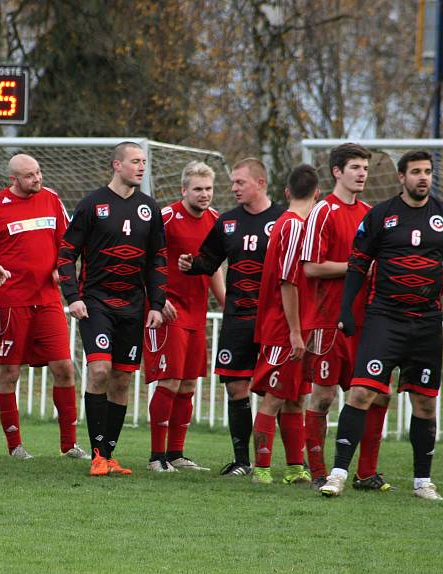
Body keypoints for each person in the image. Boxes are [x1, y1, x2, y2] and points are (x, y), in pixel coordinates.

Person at [320, 150, 443, 500]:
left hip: (426, 323)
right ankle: (338, 474)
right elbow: (358, 265)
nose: (423, 177)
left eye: (428, 172)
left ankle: (423, 482)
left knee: (425, 404)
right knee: (361, 393)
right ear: (401, 177)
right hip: (384, 320)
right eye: (416, 172)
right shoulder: (380, 216)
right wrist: (346, 309)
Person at [58, 141, 166, 476]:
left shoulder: (150, 208)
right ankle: (96, 455)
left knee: (121, 380)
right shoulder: (92, 204)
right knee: (100, 371)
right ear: (116, 165)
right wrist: (72, 296)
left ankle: (109, 454)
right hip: (96, 304)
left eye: (144, 162)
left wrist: (157, 304)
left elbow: (158, 261)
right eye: (135, 161)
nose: (141, 167)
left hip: (133, 308)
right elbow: (65, 254)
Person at [179, 158, 285, 476]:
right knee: (236, 388)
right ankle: (242, 461)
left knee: (281, 392)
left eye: (240, 182)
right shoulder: (227, 222)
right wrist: (191, 264)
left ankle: (295, 462)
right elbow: (209, 261)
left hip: (274, 319)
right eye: (233, 183)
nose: (234, 188)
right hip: (238, 317)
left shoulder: (284, 219)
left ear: (260, 183)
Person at [0, 154, 88, 460]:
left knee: (64, 368)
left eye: (39, 172)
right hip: (11, 302)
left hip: (49, 300)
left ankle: (69, 445)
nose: (37, 179)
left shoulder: (52, 199)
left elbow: (68, 244)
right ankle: (15, 446)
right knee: (10, 373)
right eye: (29, 176)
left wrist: (60, 268)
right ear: (13, 179)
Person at [300, 143, 391, 491]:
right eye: (355, 167)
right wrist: (357, 268)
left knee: (377, 395)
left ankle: (366, 473)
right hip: (329, 319)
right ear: (337, 171)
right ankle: (319, 471)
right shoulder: (323, 211)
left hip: (369, 321)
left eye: (365, 168)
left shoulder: (371, 213)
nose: (362, 173)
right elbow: (310, 268)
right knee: (323, 396)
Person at [143, 161, 224, 472]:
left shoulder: (216, 220)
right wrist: (156, 300)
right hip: (168, 311)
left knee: (189, 383)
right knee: (170, 380)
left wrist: (227, 304)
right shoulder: (165, 218)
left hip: (197, 313)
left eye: (209, 189)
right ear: (184, 190)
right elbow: (144, 259)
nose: (204, 195)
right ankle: (156, 457)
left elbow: (215, 267)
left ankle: (176, 454)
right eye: (198, 189)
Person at [249, 165, 320, 484]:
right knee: (275, 396)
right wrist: (294, 331)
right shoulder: (292, 227)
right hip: (284, 328)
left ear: (288, 191)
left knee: (295, 397)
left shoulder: (293, 223)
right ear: (318, 194)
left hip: (297, 327)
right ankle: (261, 469)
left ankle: (294, 467)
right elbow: (287, 281)